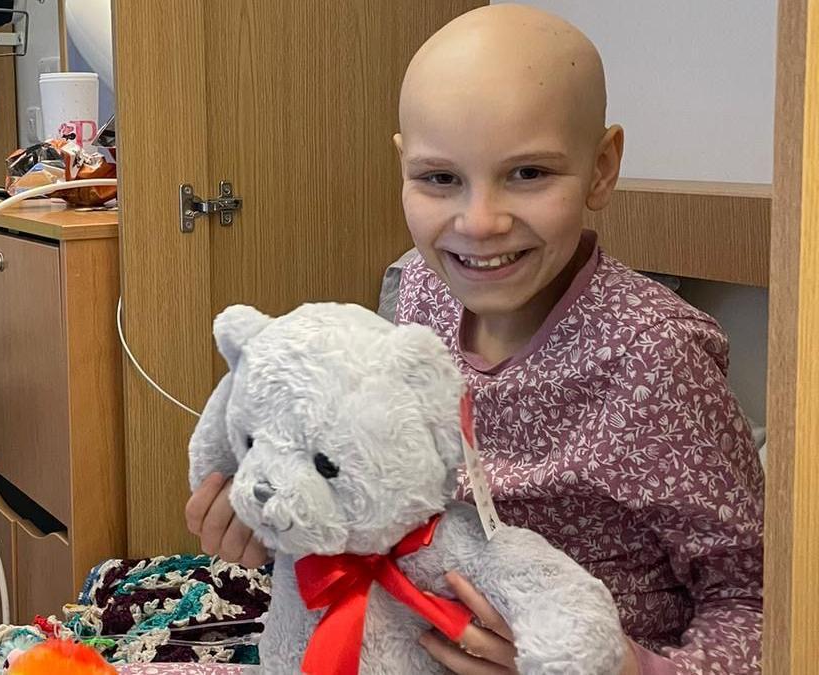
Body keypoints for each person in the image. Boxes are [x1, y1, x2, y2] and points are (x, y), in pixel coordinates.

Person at [184, 5, 764, 674]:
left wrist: (621, 665)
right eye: (440, 178)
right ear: (404, 167)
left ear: (602, 167)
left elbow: (759, 601)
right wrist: (279, 522)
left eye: (528, 173)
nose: (480, 222)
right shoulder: (419, 291)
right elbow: (378, 485)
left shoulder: (656, 355)